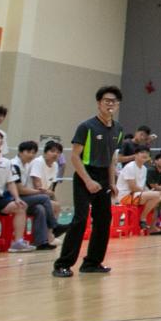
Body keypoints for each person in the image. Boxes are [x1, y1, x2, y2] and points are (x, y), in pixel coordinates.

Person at [54, 86, 123, 277]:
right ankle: (62, 264)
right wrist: (88, 181)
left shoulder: (118, 129)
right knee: (80, 219)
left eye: (114, 101)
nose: (110, 104)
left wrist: (112, 182)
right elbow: (75, 157)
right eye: (107, 101)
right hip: (85, 174)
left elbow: (112, 157)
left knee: (103, 220)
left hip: (104, 176)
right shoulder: (86, 126)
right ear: (99, 103)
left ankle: (92, 262)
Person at [114, 144, 161, 234]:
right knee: (157, 194)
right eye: (142, 152)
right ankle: (142, 218)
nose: (145, 154)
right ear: (135, 155)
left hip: (137, 195)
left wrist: (148, 192)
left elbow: (141, 186)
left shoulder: (144, 168)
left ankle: (153, 227)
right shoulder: (130, 167)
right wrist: (148, 193)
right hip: (125, 196)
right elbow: (133, 187)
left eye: (147, 153)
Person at [13, 141, 57, 251]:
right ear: (20, 152)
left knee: (40, 208)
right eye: (28, 152)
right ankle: (54, 225)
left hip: (24, 198)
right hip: (13, 197)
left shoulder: (27, 165)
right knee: (44, 197)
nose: (31, 155)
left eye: (33, 153)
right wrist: (39, 192)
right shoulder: (14, 165)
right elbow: (20, 189)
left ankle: (40, 242)